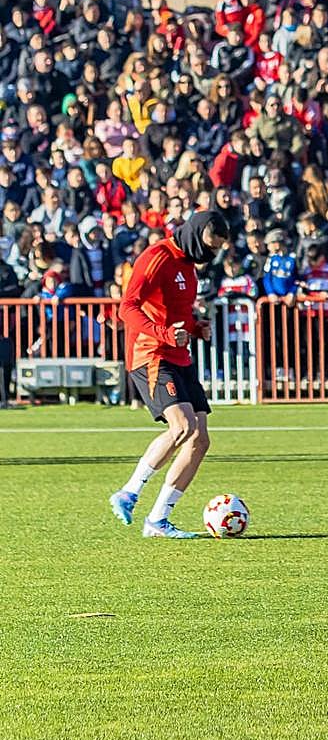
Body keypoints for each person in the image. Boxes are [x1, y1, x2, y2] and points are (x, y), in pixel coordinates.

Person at [108, 212, 229, 538]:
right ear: (194, 235)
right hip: (150, 355)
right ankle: (129, 492)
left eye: (216, 250)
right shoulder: (156, 257)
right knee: (183, 426)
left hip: (179, 357)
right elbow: (127, 307)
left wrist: (194, 327)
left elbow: (176, 315)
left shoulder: (189, 266)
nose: (210, 255)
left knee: (200, 439)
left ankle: (158, 520)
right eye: (209, 246)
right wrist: (163, 333)